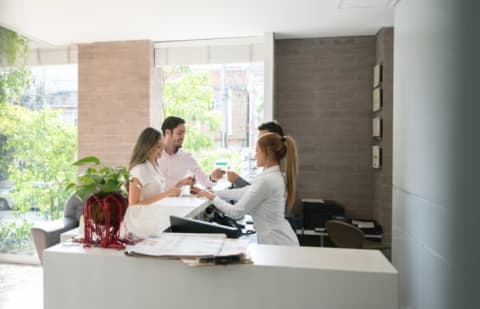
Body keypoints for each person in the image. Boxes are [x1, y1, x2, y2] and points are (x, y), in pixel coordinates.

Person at [197, 133, 299, 246]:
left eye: (257, 151)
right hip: (281, 238)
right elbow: (244, 192)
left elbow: (236, 212)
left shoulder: (267, 180)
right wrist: (215, 193)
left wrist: (213, 198)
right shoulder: (275, 175)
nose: (255, 156)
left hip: (277, 242)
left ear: (268, 152)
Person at [158, 116, 224, 189]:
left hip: (178, 200)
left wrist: (213, 178)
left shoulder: (186, 157)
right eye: (179, 133)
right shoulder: (153, 156)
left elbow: (205, 181)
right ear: (168, 133)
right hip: (157, 200)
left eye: (184, 134)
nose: (183, 137)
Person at [128, 127, 181, 206]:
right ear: (148, 147)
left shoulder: (155, 167)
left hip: (157, 214)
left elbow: (157, 195)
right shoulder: (138, 170)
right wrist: (167, 194)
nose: (162, 149)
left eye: (162, 146)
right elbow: (133, 205)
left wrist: (171, 192)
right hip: (145, 217)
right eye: (158, 146)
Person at [227, 120, 285, 188]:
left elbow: (256, 195)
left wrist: (237, 180)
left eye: (262, 139)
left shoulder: (276, 174)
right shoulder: (266, 170)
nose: (259, 143)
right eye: (259, 139)